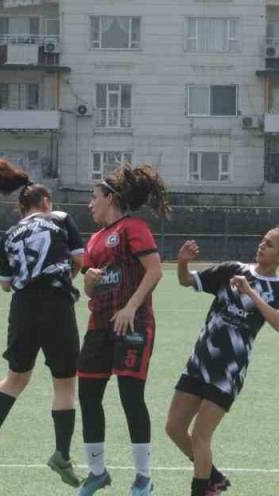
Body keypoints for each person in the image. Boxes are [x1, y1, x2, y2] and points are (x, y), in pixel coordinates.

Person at [0, 158, 85, 488]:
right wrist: (64, 277)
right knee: (64, 383)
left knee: (16, 377)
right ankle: (61, 454)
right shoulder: (59, 220)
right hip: (56, 303)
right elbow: (79, 259)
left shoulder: (10, 234)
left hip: (22, 307)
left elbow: (5, 283)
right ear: (46, 202)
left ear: (22, 208)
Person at [166, 227, 279, 496]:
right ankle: (214, 477)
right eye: (263, 241)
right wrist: (183, 261)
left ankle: (203, 490)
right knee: (174, 428)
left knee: (200, 435)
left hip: (228, 372)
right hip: (199, 361)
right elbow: (187, 281)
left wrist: (251, 292)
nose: (262, 246)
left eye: (270, 244)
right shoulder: (232, 269)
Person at [76, 164, 171, 496]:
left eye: (93, 197)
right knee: (88, 396)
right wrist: (88, 282)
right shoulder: (93, 240)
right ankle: (97, 472)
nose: (90, 204)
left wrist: (131, 306)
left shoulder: (133, 227)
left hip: (134, 323)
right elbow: (91, 288)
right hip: (98, 326)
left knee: (131, 396)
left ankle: (143, 476)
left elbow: (155, 270)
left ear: (109, 197)